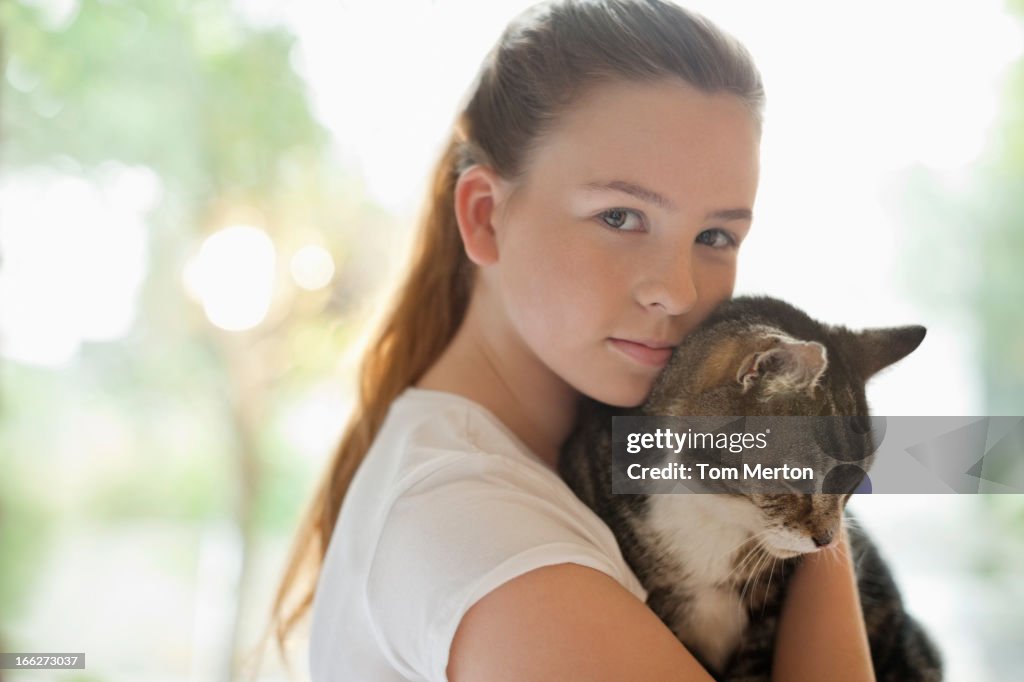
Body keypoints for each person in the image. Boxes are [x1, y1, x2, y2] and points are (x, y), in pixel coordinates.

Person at [267, 1, 876, 679]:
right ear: (486, 218)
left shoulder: (591, 457)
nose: (675, 291)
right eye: (621, 216)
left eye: (715, 237)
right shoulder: (471, 524)